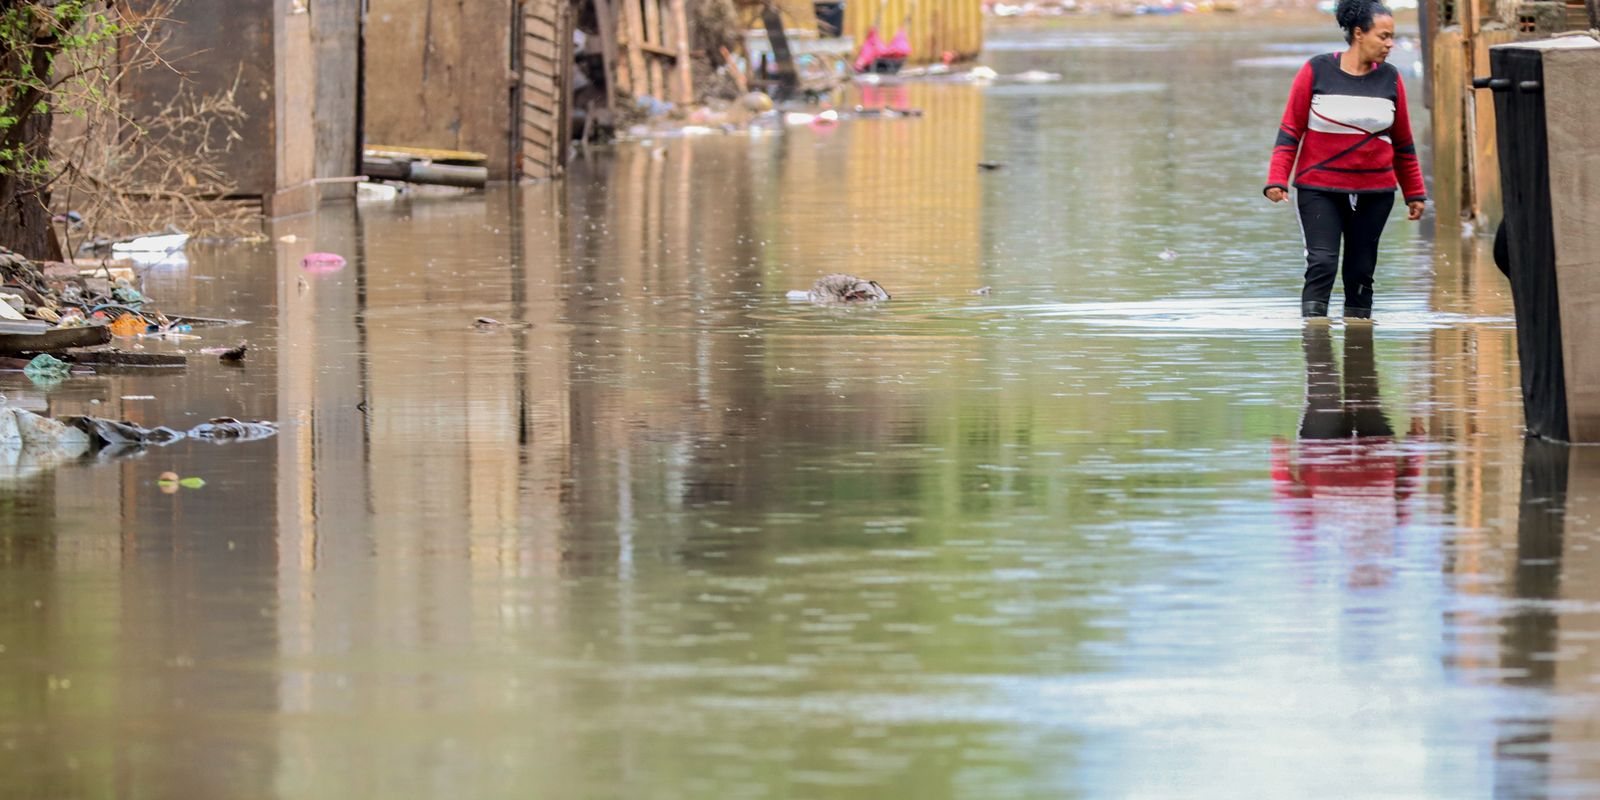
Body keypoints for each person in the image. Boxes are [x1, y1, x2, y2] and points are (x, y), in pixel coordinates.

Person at [1264, 0, 1427, 319]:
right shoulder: (1316, 70)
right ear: (1358, 34)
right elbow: (1290, 130)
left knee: (1361, 271)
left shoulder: (1391, 78)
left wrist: (1415, 193)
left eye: (1392, 36)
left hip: (1376, 191)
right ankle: (1317, 351)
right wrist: (1276, 179)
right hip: (1319, 187)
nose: (1390, 44)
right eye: (1383, 36)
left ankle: (1359, 355)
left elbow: (1403, 142)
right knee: (1322, 263)